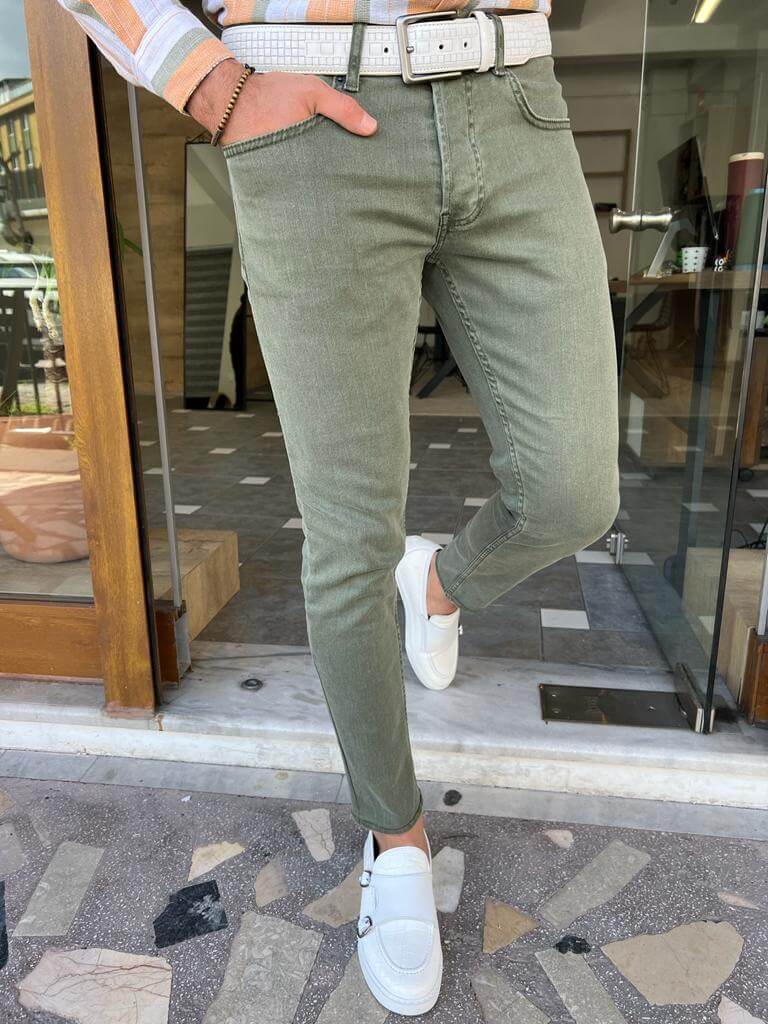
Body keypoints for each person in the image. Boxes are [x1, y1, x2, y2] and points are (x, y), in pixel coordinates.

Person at [58, 0, 620, 1014]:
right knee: (352, 536)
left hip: (517, 106)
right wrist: (210, 83)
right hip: (312, 117)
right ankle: (395, 836)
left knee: (573, 491)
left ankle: (440, 583)